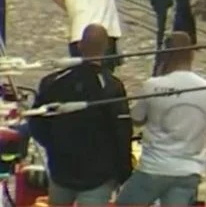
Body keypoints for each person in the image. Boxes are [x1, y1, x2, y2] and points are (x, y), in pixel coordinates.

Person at [29, 24, 133, 207]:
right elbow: (122, 133)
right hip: (98, 175)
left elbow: (37, 121)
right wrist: (123, 171)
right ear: (107, 48)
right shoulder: (112, 87)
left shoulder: (53, 82)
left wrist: (54, 147)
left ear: (79, 46)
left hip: (61, 168)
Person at [115, 32, 206, 207]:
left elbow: (137, 118)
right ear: (192, 54)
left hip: (154, 168)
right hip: (190, 170)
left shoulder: (153, 85)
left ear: (164, 55)